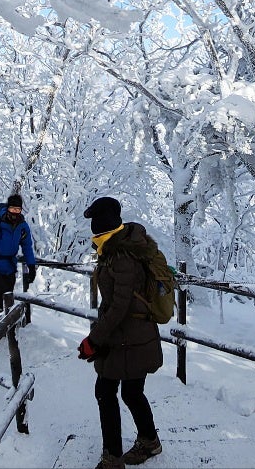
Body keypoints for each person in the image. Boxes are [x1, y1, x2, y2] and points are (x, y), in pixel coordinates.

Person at [78, 196, 163, 469]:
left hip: (130, 339)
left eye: (95, 223)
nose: (93, 230)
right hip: (129, 337)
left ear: (104, 226)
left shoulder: (122, 256)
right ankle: (149, 441)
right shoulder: (116, 248)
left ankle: (112, 459)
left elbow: (118, 308)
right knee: (130, 392)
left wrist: (94, 339)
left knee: (106, 391)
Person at [0, 193, 38, 322]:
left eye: (18, 209)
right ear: (8, 208)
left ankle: (6, 328)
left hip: (9, 265)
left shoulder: (22, 226)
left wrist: (31, 266)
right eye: (12, 209)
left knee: (9, 295)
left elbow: (27, 246)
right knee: (0, 293)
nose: (15, 212)